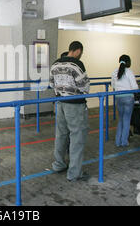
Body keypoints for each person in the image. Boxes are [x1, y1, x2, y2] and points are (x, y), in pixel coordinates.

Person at [49, 41, 90, 182]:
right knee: (77, 137)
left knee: (61, 135)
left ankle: (58, 164)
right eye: (81, 53)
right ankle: (74, 173)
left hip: (60, 103)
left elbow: (51, 84)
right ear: (78, 50)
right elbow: (84, 86)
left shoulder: (55, 64)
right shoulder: (77, 64)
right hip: (75, 105)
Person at [111, 55, 139, 147]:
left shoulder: (114, 72)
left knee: (121, 120)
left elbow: (113, 86)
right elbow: (135, 87)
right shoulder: (129, 72)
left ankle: (117, 141)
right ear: (128, 62)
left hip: (118, 97)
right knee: (127, 119)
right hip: (128, 98)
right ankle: (124, 141)